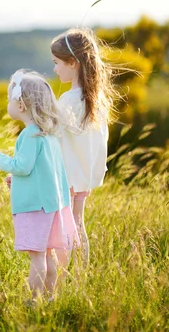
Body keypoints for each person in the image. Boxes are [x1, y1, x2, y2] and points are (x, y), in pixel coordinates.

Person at [0, 69, 78, 302]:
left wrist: (0, 158)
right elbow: (40, 171)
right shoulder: (48, 134)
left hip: (33, 208)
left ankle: (33, 301)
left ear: (21, 105)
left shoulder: (29, 135)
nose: (8, 103)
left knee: (37, 257)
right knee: (47, 255)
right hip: (49, 205)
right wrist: (15, 179)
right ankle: (49, 297)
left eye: (9, 99)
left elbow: (23, 165)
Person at [50, 28, 118, 267]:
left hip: (67, 176)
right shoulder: (97, 99)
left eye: (57, 62)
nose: (55, 68)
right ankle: (80, 277)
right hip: (84, 175)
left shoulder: (68, 100)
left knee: (62, 229)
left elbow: (52, 137)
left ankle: (62, 276)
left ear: (73, 62)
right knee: (78, 223)